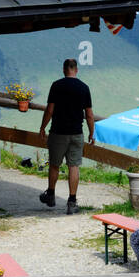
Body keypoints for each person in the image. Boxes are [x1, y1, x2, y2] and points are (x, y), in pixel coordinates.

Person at [39, 58, 95, 214]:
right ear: (76, 70)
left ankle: (50, 195)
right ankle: (72, 201)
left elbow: (50, 109)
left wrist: (42, 127)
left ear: (64, 70)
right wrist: (91, 132)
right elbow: (89, 114)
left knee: (54, 164)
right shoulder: (84, 88)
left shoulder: (57, 86)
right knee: (74, 166)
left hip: (58, 132)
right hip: (77, 133)